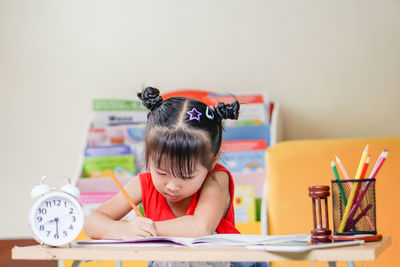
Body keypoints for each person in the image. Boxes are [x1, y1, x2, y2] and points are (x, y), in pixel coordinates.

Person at [84, 87, 269, 267]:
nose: (172, 185)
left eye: (186, 175)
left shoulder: (216, 179)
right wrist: (125, 230)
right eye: (161, 172)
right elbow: (92, 223)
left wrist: (149, 229)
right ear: (148, 157)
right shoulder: (143, 184)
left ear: (213, 161)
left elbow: (200, 228)